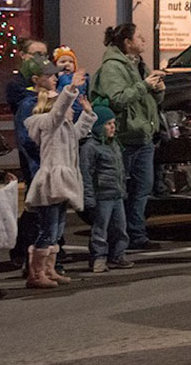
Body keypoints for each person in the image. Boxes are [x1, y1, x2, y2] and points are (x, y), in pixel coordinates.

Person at [90, 23, 165, 253]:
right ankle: (116, 240)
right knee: (119, 191)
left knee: (142, 189)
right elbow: (118, 99)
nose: (143, 41)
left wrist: (157, 88)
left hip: (144, 136)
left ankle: (137, 234)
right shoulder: (113, 67)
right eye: (139, 37)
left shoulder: (138, 64)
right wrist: (144, 86)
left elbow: (151, 101)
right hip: (125, 137)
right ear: (127, 42)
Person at [23, 74, 96, 288]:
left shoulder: (64, 128)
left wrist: (88, 114)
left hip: (63, 182)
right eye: (69, 107)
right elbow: (56, 114)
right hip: (51, 182)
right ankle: (36, 274)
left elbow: (79, 133)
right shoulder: (48, 125)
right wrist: (70, 90)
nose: (72, 110)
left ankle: (49, 269)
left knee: (57, 230)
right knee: (48, 229)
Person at [13, 54, 64, 272]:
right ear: (35, 79)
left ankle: (49, 265)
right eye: (49, 75)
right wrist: (47, 157)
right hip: (41, 169)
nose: (55, 77)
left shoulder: (53, 99)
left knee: (56, 219)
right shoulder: (28, 105)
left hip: (57, 168)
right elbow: (27, 140)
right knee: (44, 221)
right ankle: (35, 268)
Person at [80, 105, 133, 272]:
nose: (112, 127)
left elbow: (120, 168)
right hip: (102, 194)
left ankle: (117, 254)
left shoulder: (114, 144)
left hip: (116, 193)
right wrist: (88, 197)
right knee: (100, 229)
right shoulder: (90, 147)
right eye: (108, 124)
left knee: (120, 227)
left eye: (113, 123)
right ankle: (98, 257)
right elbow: (86, 173)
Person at [53, 46, 89, 120]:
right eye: (62, 62)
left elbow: (70, 86)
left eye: (71, 62)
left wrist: (62, 77)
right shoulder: (55, 79)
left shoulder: (79, 78)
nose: (67, 64)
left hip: (78, 110)